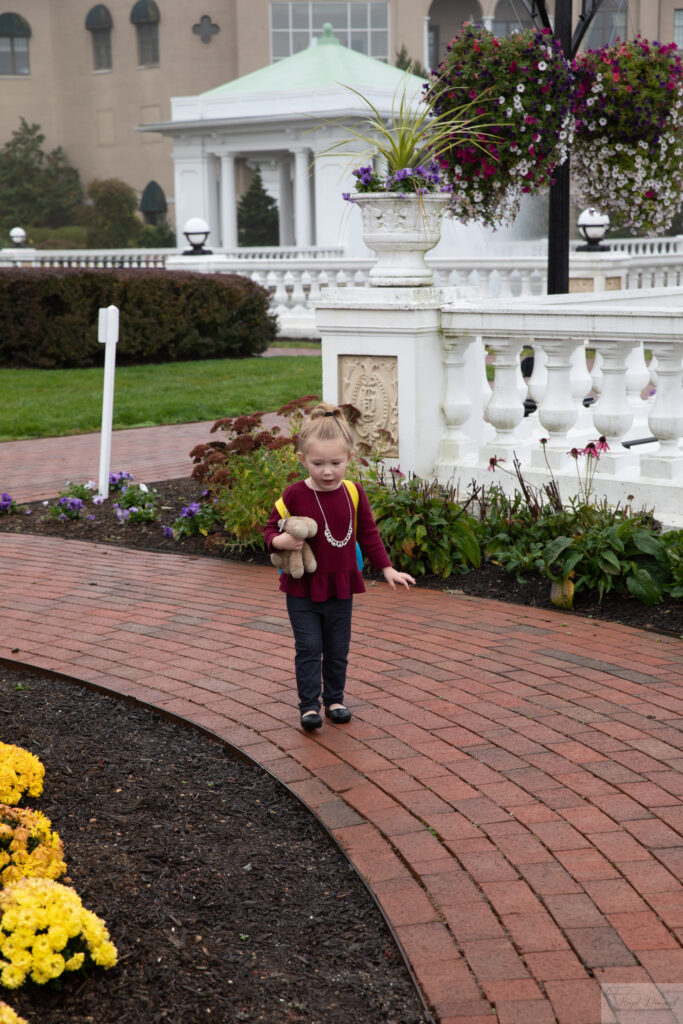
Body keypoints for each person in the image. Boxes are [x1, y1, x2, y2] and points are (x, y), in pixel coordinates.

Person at [264, 402, 415, 732]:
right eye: (318, 464)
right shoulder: (294, 494)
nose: (328, 471)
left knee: (337, 648)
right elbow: (269, 528)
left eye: (336, 462)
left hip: (342, 586)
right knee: (309, 648)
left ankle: (334, 700)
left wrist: (387, 568)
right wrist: (280, 542)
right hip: (302, 588)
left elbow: (369, 533)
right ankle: (308, 706)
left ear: (350, 458)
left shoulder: (353, 492)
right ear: (303, 460)